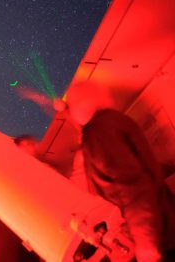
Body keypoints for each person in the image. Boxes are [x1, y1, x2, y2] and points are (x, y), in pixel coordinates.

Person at [66, 81, 175, 262]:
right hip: (165, 224)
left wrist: (145, 243)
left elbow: (131, 189)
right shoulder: (111, 123)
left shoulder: (100, 132)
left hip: (160, 235)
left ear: (81, 106)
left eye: (72, 106)